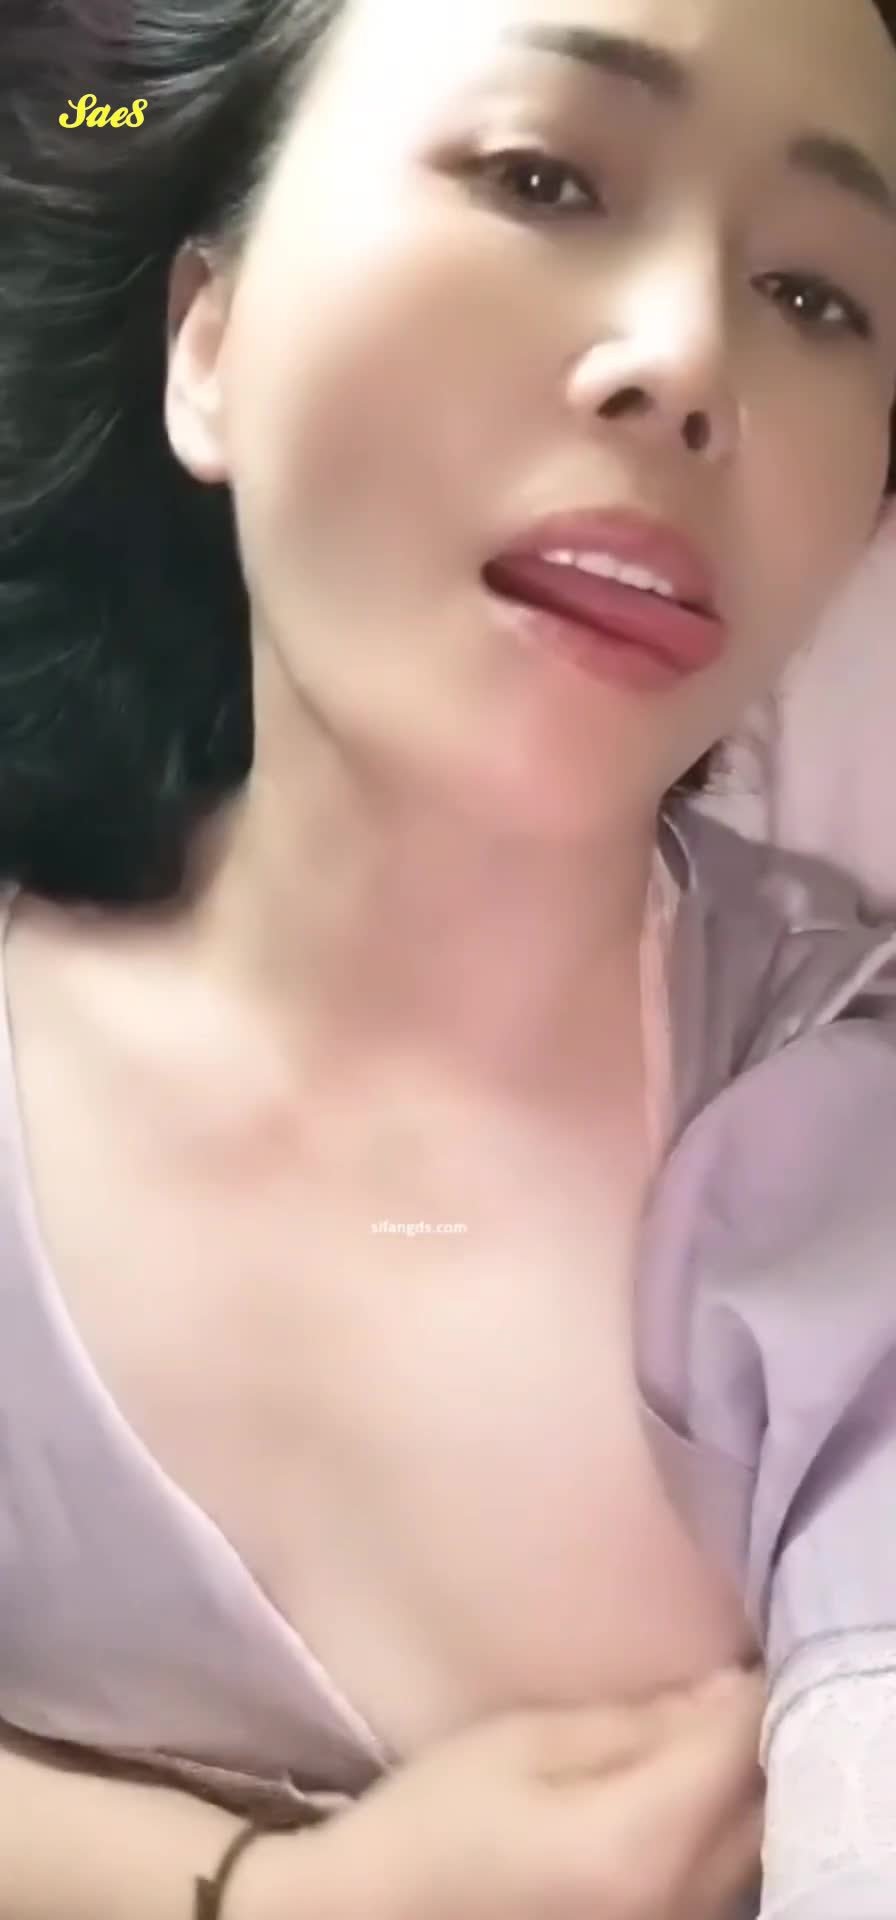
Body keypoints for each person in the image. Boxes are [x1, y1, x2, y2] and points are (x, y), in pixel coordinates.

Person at [0, 0, 895, 1914]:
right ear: (210, 341)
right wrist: (255, 1894)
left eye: (819, 295)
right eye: (542, 176)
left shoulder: (844, 1156)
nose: (688, 361)